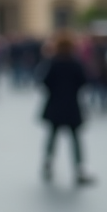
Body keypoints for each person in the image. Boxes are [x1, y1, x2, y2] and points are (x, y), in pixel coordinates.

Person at [37, 32, 94, 186]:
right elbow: (84, 81)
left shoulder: (52, 62)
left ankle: (48, 164)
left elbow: (44, 82)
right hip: (72, 105)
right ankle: (79, 168)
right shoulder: (76, 63)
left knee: (52, 137)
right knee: (75, 139)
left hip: (55, 104)